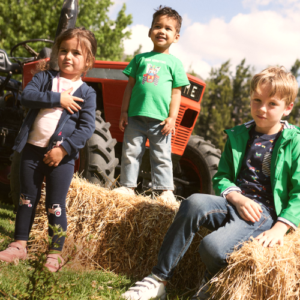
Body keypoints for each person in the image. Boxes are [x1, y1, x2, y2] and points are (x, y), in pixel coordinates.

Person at [121, 66, 300, 300]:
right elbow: (222, 176)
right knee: (193, 203)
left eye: (272, 104)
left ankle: (213, 285)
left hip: (262, 214)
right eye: (257, 100)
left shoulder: (294, 142)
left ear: (287, 108)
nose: (262, 108)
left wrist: (280, 227)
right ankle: (158, 280)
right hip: (236, 203)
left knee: (212, 248)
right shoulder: (239, 135)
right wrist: (236, 197)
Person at [0, 27, 97, 272]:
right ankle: (19, 245)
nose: (68, 56)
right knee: (25, 199)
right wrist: (58, 99)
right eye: (63, 50)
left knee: (55, 204)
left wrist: (63, 150)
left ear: (88, 61)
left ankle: (54, 254)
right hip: (31, 152)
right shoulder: (45, 78)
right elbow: (27, 97)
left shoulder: (87, 92)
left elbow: (86, 128)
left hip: (60, 159)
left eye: (76, 52)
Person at [113, 6, 190, 203]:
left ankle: (165, 191)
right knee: (131, 152)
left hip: (160, 120)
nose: (162, 31)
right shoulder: (140, 59)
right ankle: (128, 186)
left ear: (176, 37)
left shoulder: (175, 64)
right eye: (157, 26)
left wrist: (172, 118)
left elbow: (176, 93)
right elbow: (129, 87)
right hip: (135, 116)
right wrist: (124, 112)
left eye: (168, 28)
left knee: (162, 155)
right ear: (150, 32)